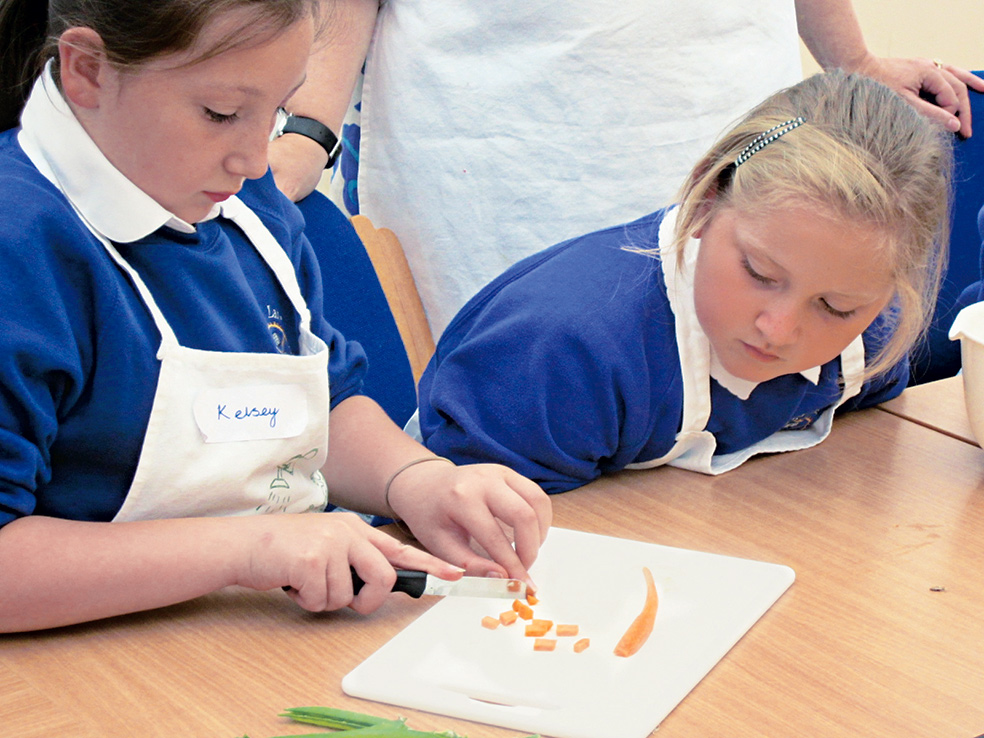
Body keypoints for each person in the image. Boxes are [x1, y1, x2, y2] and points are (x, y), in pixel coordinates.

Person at [0, 0, 550, 634]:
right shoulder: (22, 245)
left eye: (278, 112)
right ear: (87, 70)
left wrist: (416, 479)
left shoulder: (244, 200)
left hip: (259, 635)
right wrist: (250, 550)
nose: (258, 161)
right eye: (221, 113)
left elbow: (318, 409)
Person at [269, 0, 983, 339]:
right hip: (499, 152)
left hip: (719, 113)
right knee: (509, 407)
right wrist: (307, 129)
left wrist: (852, 62)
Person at [414, 71, 953, 494]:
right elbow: (462, 538)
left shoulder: (872, 337)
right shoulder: (567, 351)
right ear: (707, 198)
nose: (778, 329)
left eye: (834, 307)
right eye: (759, 273)